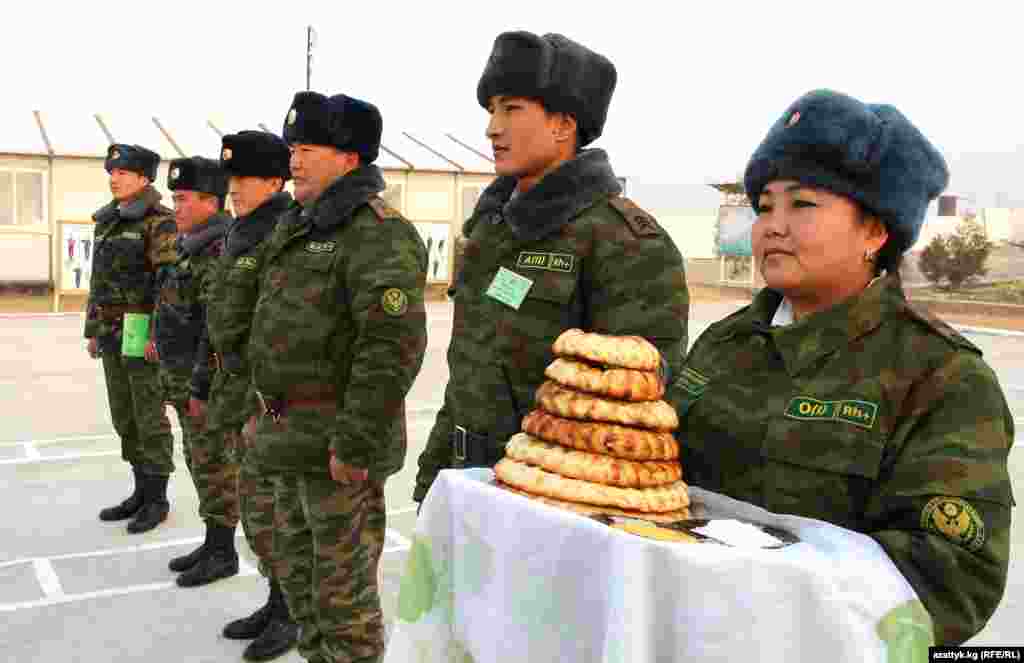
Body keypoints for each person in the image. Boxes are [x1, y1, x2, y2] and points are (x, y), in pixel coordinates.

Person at [669, 89, 1014, 645]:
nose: (773, 226)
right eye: (765, 207)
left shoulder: (940, 376)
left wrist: (757, 587)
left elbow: (953, 578)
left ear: (875, 231)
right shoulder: (724, 342)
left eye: (802, 205)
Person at [414, 31, 690, 505]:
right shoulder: (492, 229)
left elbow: (637, 408)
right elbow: (469, 375)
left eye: (511, 109)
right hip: (466, 483)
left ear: (563, 125)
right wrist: (431, 484)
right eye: (491, 111)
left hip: (551, 501)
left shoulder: (625, 241)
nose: (492, 128)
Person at [245, 91, 428, 663]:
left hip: (336, 454)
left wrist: (354, 444)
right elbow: (273, 328)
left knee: (343, 606)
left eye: (308, 149)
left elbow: (391, 348)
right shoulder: (297, 225)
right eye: (292, 148)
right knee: (301, 591)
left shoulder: (377, 232)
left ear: (350, 158)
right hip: (286, 442)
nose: (293, 160)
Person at [210, 130, 300, 661]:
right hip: (238, 393)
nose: (234, 188)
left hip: (267, 401)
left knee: (275, 511)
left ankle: (289, 612)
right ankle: (275, 599)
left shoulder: (281, 234)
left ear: (274, 181)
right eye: (231, 179)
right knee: (255, 509)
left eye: (243, 178)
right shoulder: (242, 232)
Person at [153, 156, 238, 587]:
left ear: (211, 202)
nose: (176, 207)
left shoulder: (219, 249)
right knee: (199, 460)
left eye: (184, 199)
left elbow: (214, 328)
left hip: (204, 384)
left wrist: (201, 386)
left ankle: (223, 551)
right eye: (174, 199)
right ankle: (212, 541)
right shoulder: (191, 245)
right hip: (183, 379)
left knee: (215, 464)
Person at [87, 143, 177, 534]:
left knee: (148, 416)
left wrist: (158, 334)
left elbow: (168, 284)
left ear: (143, 178)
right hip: (110, 332)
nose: (114, 178)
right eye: (112, 172)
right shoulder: (108, 220)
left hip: (142, 330)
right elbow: (98, 281)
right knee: (124, 415)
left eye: (122, 172)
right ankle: (140, 491)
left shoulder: (160, 222)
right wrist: (93, 329)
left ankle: (157, 499)